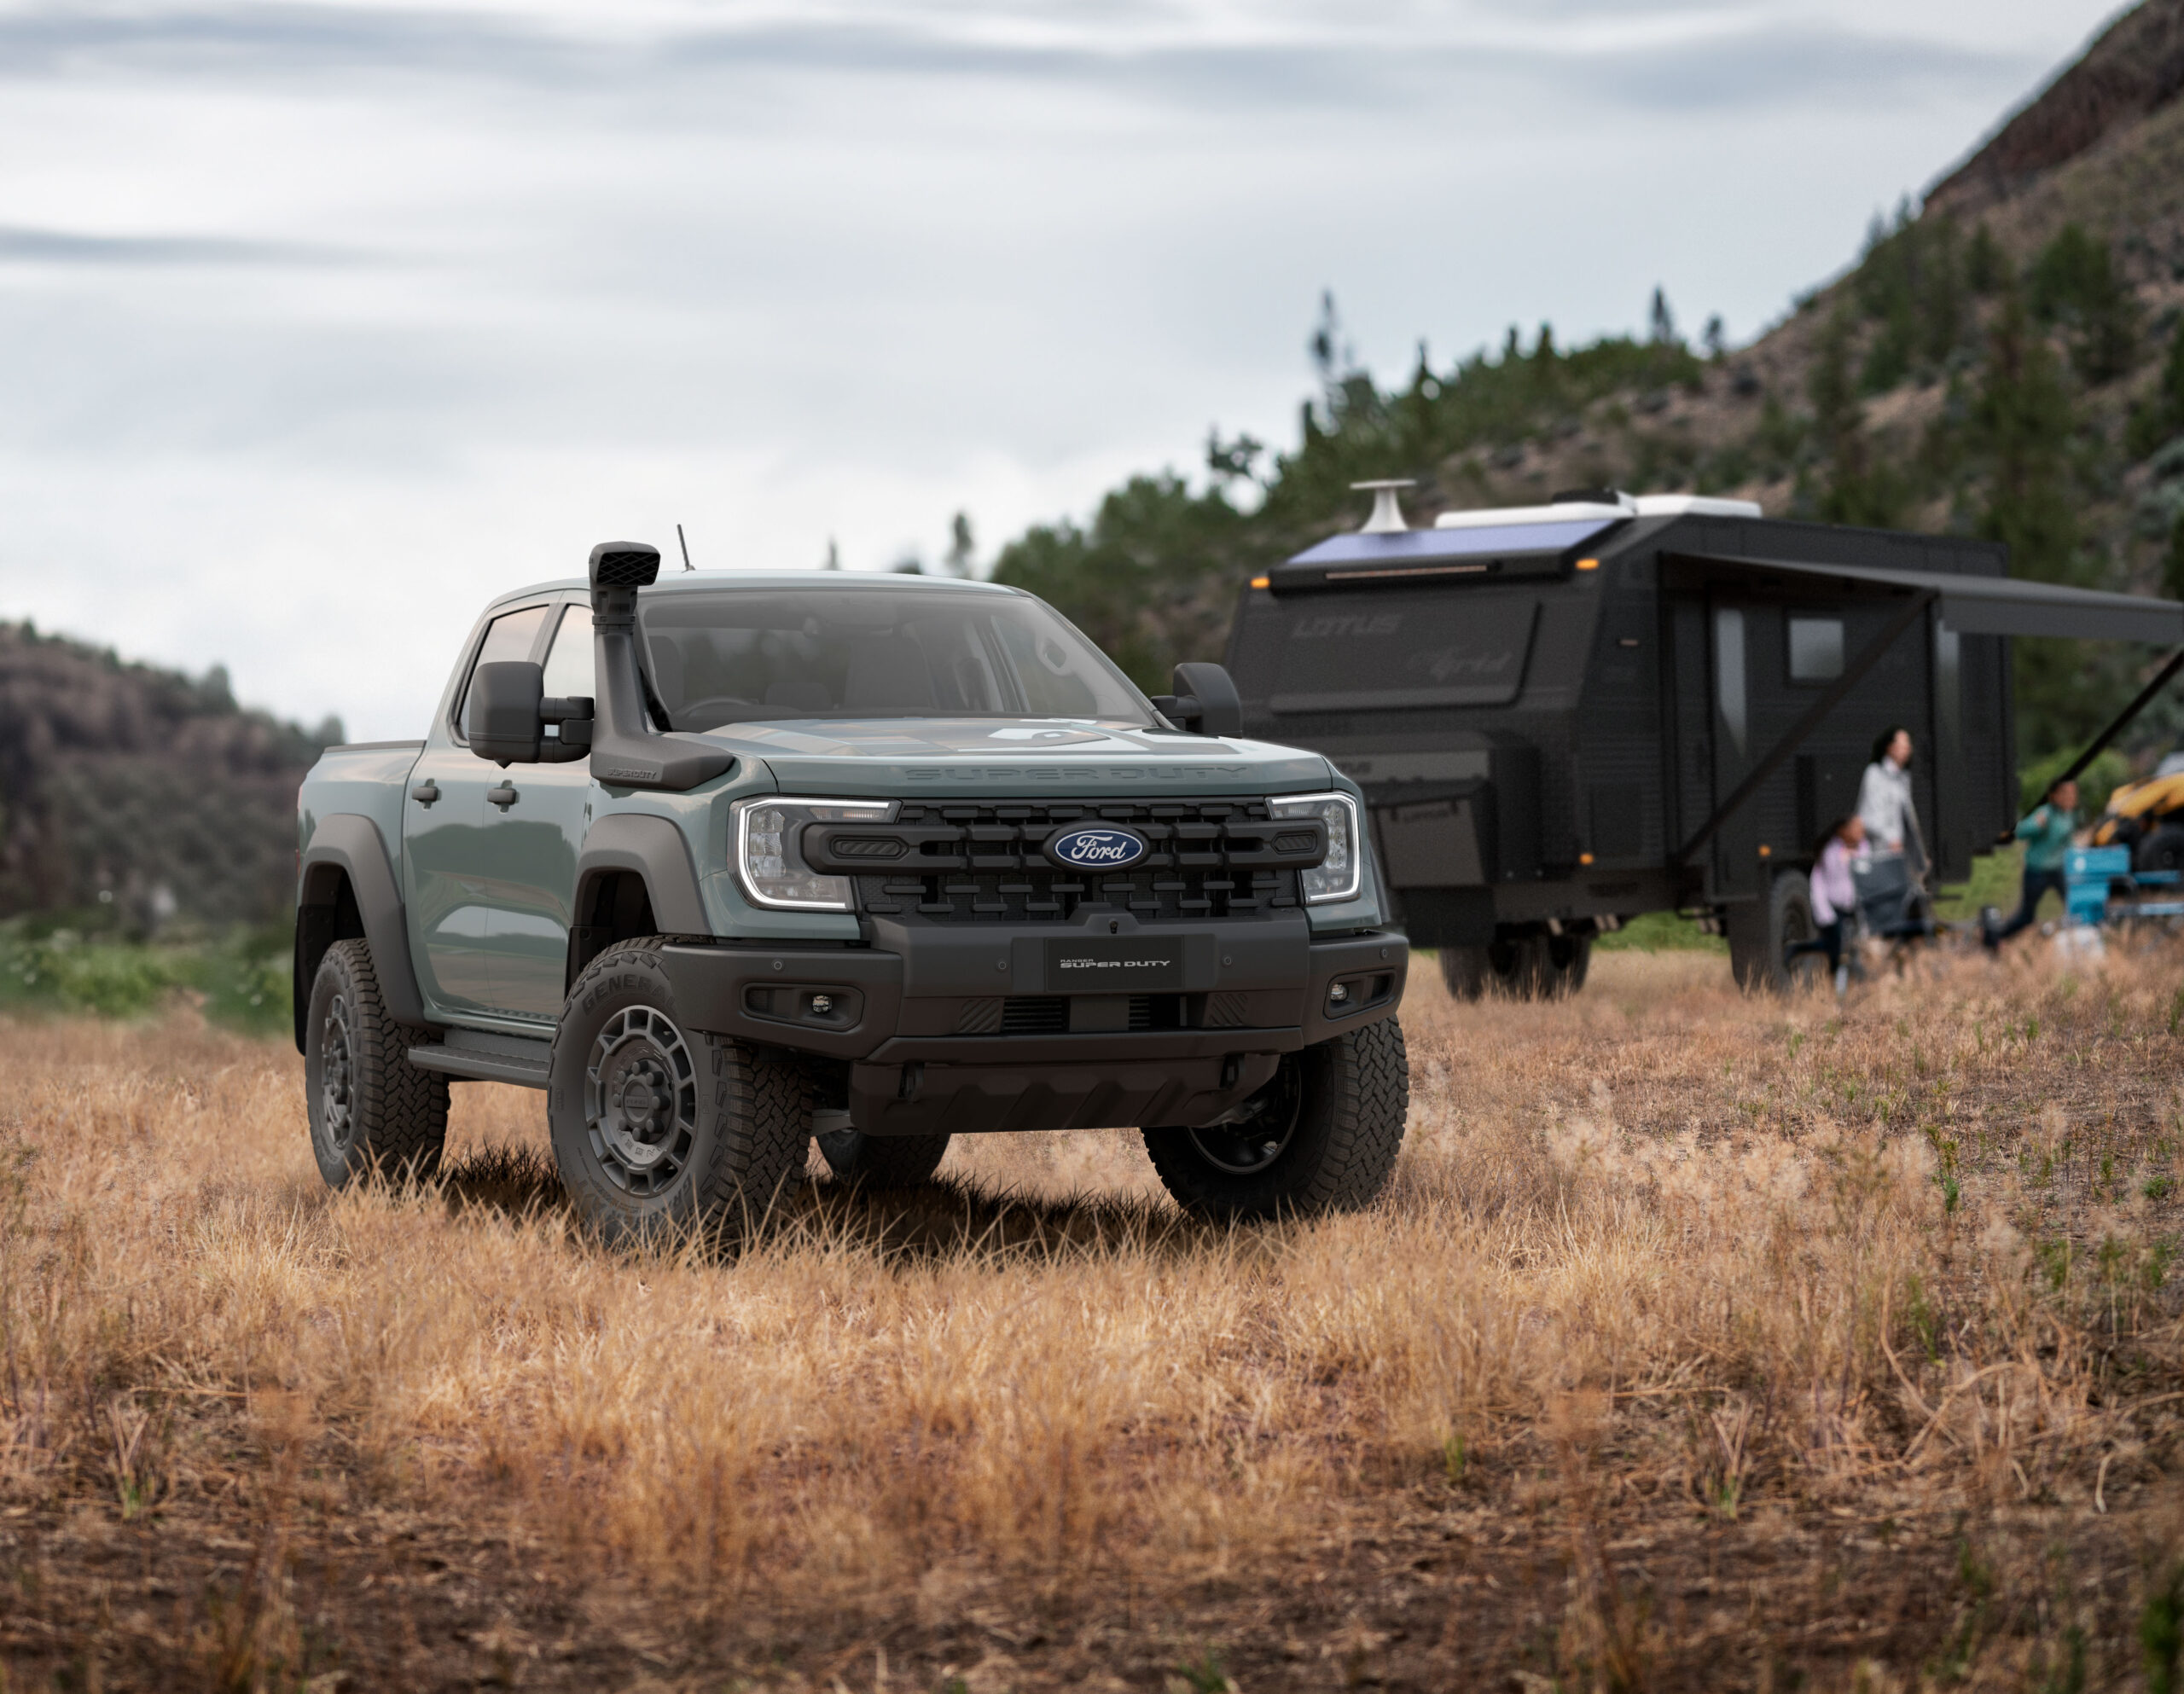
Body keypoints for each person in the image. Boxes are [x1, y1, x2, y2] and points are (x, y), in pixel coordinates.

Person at [1985, 776, 2079, 949]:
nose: (2071, 797)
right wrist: (2036, 825)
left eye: (2073, 793)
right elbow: (2020, 832)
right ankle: (1995, 938)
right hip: (2037, 871)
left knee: (2076, 902)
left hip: (2057, 869)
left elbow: (2068, 843)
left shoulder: (2068, 816)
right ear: (2054, 796)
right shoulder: (2045, 813)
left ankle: (2079, 939)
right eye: (2066, 793)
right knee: (2027, 916)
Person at [1788, 815, 1865, 995]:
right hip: (1833, 908)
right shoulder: (1830, 852)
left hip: (1854, 907)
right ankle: (1838, 988)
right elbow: (1820, 884)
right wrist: (1825, 912)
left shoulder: (1863, 848)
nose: (1861, 832)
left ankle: (1854, 984)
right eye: (1855, 828)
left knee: (1851, 945)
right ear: (1843, 831)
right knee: (1836, 948)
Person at [1857, 727, 1919, 865]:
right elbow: (1868, 815)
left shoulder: (1903, 778)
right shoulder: (1875, 774)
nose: (1908, 749)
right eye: (1903, 744)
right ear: (1890, 747)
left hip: (1900, 853)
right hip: (1879, 852)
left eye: (1908, 745)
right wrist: (1891, 838)